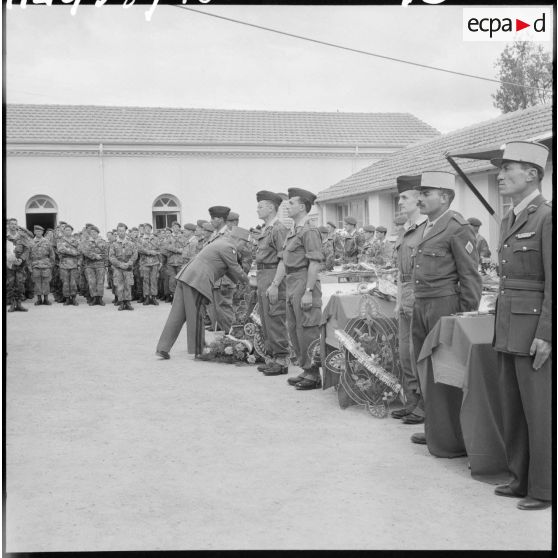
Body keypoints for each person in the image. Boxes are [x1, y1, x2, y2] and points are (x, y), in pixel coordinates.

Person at [489, 141, 551, 511]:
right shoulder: (511, 217)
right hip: (510, 324)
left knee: (540, 410)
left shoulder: (546, 216)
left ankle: (544, 488)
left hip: (534, 330)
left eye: (507, 169)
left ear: (532, 174)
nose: (500, 175)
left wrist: (546, 333)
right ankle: (520, 478)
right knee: (513, 407)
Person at [409, 171, 482, 449]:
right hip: (422, 302)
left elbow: (470, 276)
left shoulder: (457, 227)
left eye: (426, 194)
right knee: (426, 367)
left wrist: (463, 317)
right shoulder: (426, 226)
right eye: (420, 194)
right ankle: (436, 428)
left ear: (444, 196)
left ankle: (453, 437)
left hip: (444, 305)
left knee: (446, 369)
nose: (420, 199)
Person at [155, 226, 251, 359]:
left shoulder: (221, 242)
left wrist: (240, 282)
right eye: (244, 243)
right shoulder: (230, 247)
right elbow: (235, 268)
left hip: (187, 277)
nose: (244, 247)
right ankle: (199, 349)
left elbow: (229, 271)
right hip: (198, 281)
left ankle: (163, 348)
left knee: (176, 315)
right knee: (196, 314)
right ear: (238, 240)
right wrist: (249, 282)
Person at [268, 188, 323, 390]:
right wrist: (275, 284)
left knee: (307, 328)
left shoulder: (309, 231)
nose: (287, 206)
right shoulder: (293, 231)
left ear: (302, 207)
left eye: (291, 203)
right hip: (292, 281)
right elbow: (283, 260)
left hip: (303, 280)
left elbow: (315, 263)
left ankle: (314, 373)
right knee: (294, 328)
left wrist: (308, 291)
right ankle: (306, 369)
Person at [390, 175, 428, 420]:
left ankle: (424, 404)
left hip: (420, 292)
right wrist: (397, 300)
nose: (400, 202)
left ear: (419, 199)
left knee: (418, 352)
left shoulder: (427, 228)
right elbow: (398, 270)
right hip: (404, 293)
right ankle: (412, 400)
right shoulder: (405, 231)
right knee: (405, 352)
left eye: (405, 197)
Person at [253, 190, 290, 376]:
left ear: (270, 207)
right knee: (266, 319)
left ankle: (282, 359)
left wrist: (275, 284)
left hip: (272, 274)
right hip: (263, 274)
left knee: (275, 317)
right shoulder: (266, 229)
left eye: (260, 206)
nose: (257, 209)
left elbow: (284, 259)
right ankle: (273, 357)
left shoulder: (279, 229)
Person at [108, 223, 138, 311]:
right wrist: (120, 264)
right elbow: (111, 257)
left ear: (125, 231)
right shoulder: (113, 244)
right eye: (119, 231)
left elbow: (135, 254)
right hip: (118, 268)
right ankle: (121, 302)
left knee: (128, 285)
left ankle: (128, 302)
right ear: (117, 232)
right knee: (120, 286)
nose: (121, 232)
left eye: (123, 230)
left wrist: (129, 263)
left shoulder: (131, 243)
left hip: (128, 268)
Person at [6, 218, 30, 312]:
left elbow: (27, 249)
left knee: (20, 284)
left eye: (15, 224)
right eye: (11, 224)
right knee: (10, 284)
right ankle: (12, 304)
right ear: (8, 225)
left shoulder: (22, 236)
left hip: (20, 265)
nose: (13, 225)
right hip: (9, 265)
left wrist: (21, 259)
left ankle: (19, 304)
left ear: (17, 225)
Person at [80, 225, 107, 306]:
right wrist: (95, 256)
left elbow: (106, 253)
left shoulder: (103, 241)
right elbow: (85, 251)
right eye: (91, 232)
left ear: (98, 233)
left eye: (95, 232)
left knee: (100, 282)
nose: (93, 233)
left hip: (100, 265)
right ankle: (94, 298)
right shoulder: (86, 242)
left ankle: (100, 298)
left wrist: (105, 262)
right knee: (91, 282)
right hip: (89, 265)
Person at [29, 224, 55, 305]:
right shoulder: (31, 242)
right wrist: (29, 266)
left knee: (46, 282)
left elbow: (52, 254)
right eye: (36, 231)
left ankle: (46, 299)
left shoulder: (47, 242)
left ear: (43, 232)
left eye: (40, 231)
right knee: (37, 282)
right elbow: (28, 255)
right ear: (34, 232)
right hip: (35, 264)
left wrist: (51, 264)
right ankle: (39, 299)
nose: (38, 232)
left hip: (46, 264)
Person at [57, 224, 80, 306]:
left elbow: (79, 251)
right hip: (64, 264)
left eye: (69, 230)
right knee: (65, 282)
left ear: (72, 231)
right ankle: (67, 298)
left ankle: (73, 298)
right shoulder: (60, 240)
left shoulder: (76, 240)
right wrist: (72, 252)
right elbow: (60, 249)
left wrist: (67, 250)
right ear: (64, 231)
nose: (68, 231)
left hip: (74, 264)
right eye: (66, 230)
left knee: (73, 282)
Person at [138, 223, 160, 306]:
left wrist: (153, 251)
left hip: (154, 262)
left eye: (149, 228)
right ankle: (147, 297)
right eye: (145, 228)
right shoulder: (140, 239)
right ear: (143, 229)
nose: (147, 229)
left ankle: (154, 297)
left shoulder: (155, 238)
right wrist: (150, 252)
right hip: (145, 262)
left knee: (154, 280)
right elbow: (139, 249)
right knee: (145, 280)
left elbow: (159, 248)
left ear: (151, 229)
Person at [164, 221, 185, 303]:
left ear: (179, 228)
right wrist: (177, 250)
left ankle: (180, 297)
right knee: (172, 280)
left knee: (180, 279)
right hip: (171, 261)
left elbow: (185, 247)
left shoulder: (183, 237)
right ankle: (173, 295)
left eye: (177, 227)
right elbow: (166, 247)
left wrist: (176, 250)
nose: (175, 229)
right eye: (174, 227)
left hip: (180, 261)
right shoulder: (169, 238)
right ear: (172, 228)